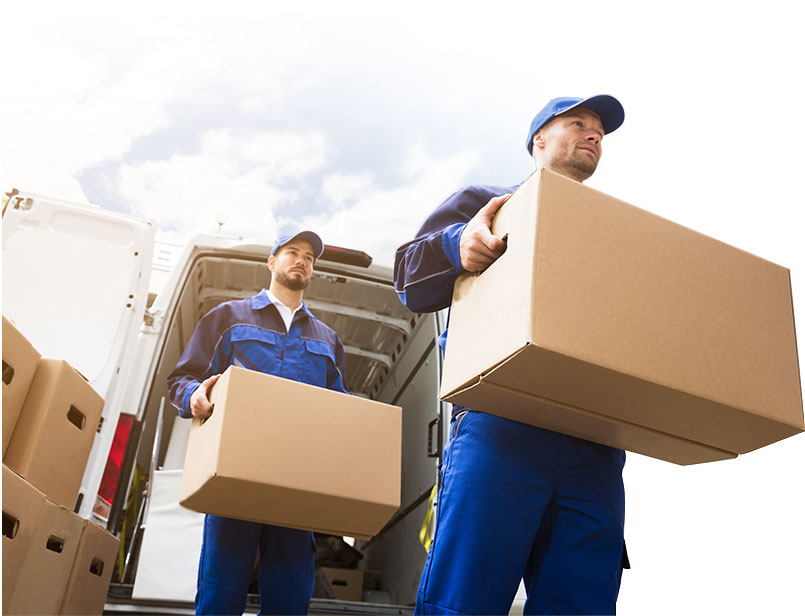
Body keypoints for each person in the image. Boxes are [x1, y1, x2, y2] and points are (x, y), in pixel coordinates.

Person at [394, 95, 630, 615]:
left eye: (599, 131)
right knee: (465, 598)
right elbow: (409, 282)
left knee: (583, 602)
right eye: (579, 123)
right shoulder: (489, 203)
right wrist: (460, 245)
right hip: (502, 429)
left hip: (596, 444)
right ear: (538, 139)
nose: (593, 135)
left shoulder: (615, 233)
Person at [167, 230, 347, 616]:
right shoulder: (228, 318)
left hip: (298, 483)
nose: (302, 261)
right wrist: (195, 396)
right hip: (234, 475)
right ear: (271, 262)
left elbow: (339, 411)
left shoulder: (328, 339)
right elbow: (181, 379)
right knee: (221, 590)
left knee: (290, 595)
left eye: (310, 258)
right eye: (292, 253)